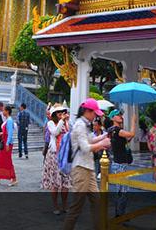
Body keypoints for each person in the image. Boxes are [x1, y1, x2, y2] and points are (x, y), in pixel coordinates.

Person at [62, 98, 111, 230]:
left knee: (97, 202)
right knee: (76, 206)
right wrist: (102, 143)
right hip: (81, 168)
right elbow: (85, 147)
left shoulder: (84, 124)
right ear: (87, 111)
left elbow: (91, 140)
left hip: (87, 168)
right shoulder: (80, 125)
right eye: (94, 113)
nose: (95, 116)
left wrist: (104, 136)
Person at [41, 104, 70, 215]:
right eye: (58, 112)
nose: (61, 114)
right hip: (54, 155)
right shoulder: (50, 123)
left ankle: (64, 205)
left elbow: (69, 134)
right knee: (55, 182)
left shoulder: (65, 123)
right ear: (54, 114)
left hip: (64, 155)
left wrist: (66, 121)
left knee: (65, 182)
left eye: (62, 112)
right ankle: (55, 205)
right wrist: (62, 121)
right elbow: (55, 132)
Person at [106, 110, 135, 218]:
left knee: (121, 190)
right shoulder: (117, 130)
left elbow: (125, 140)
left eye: (120, 115)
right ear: (113, 118)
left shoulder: (112, 130)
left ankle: (119, 213)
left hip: (117, 161)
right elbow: (131, 134)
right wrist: (133, 121)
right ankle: (120, 215)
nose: (120, 117)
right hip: (120, 163)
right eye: (117, 115)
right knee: (123, 190)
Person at [0, 105, 17, 186]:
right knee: (1, 160)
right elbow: (7, 132)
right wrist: (1, 133)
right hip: (5, 141)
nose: (3, 112)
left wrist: (7, 143)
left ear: (7, 111)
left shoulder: (9, 120)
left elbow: (10, 133)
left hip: (7, 143)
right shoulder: (7, 120)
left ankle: (13, 178)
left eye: (4, 110)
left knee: (7, 160)